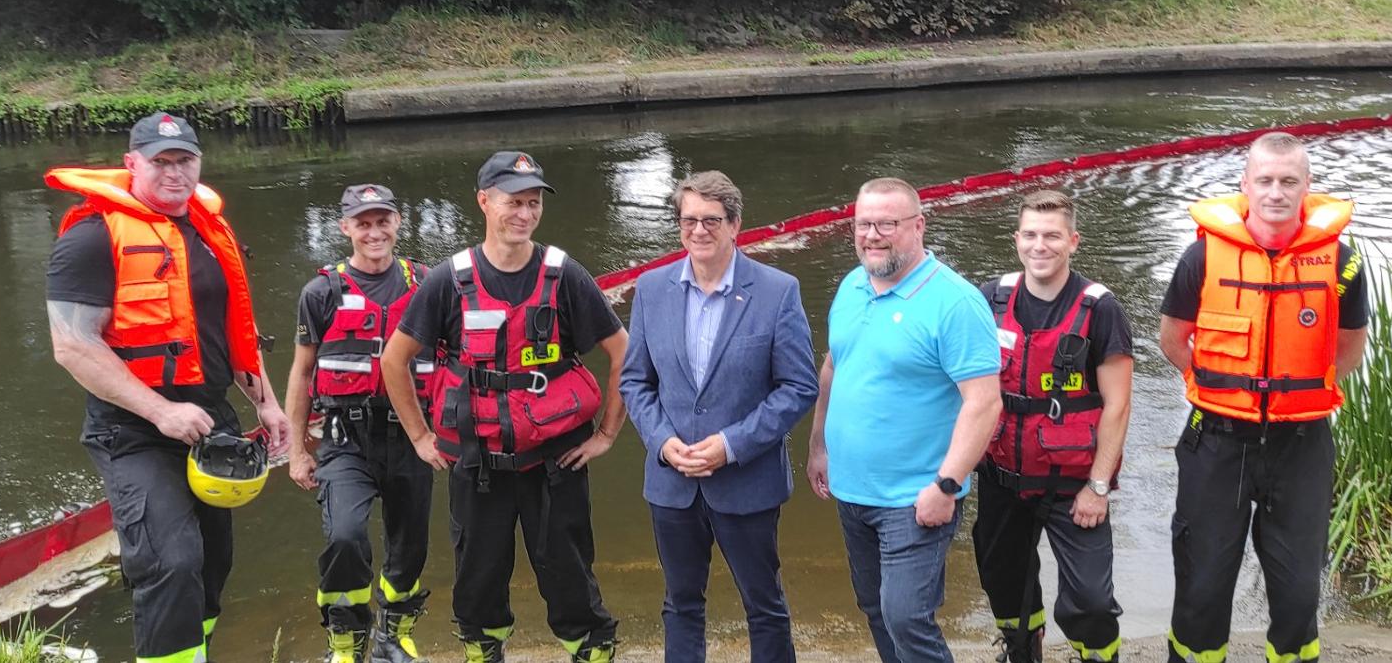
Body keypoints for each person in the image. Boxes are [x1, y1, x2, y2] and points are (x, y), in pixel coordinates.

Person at [45, 112, 291, 663]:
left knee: (210, 564)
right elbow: (73, 345)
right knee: (169, 561)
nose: (175, 173)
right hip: (132, 427)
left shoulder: (207, 230)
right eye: (161, 162)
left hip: (210, 422)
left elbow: (232, 331)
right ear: (132, 164)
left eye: (185, 160)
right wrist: (160, 411)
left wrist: (268, 404)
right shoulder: (90, 237)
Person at [379, 151, 628, 663]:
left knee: (570, 577)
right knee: (478, 583)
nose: (524, 214)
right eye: (514, 202)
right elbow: (393, 361)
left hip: (557, 461)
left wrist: (606, 434)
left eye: (533, 203)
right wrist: (421, 437)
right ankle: (483, 653)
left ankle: (591, 652)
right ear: (484, 202)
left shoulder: (565, 275)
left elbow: (624, 352)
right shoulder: (448, 280)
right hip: (477, 463)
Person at [1158, 132, 1369, 663]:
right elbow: (1171, 338)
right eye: (1266, 181)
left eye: (1289, 181)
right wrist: (1216, 387)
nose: (1276, 192)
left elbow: (1349, 350)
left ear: (1307, 186)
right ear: (1245, 185)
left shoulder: (1343, 264)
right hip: (1219, 441)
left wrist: (1299, 394)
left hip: (1301, 443)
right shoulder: (1202, 257)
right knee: (1202, 587)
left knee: (1298, 593)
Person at [618, 171, 819, 663]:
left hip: (747, 480)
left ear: (735, 225)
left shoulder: (777, 291)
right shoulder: (651, 289)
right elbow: (635, 382)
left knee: (764, 606)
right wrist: (662, 441)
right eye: (689, 220)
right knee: (681, 604)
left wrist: (730, 445)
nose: (699, 230)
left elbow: (799, 386)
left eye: (712, 220)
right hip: (672, 482)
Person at [807, 177, 1002, 663]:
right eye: (863, 224)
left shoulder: (956, 303)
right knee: (874, 606)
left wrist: (947, 484)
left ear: (918, 226)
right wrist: (818, 447)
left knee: (906, 616)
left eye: (887, 224)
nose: (873, 235)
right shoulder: (852, 285)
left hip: (915, 496)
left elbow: (984, 403)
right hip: (851, 489)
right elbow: (834, 367)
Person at [973, 190, 1132, 663]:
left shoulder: (1100, 309)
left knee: (1091, 601)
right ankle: (1023, 649)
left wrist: (1098, 488)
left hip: (1074, 487)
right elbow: (965, 387)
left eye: (1052, 236)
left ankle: (1098, 654)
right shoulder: (990, 298)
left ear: (1073, 241)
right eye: (1030, 235)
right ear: (1017, 239)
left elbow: (1119, 406)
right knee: (1004, 585)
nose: (1039, 246)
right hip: (1002, 478)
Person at [284, 184, 438, 663]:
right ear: (345, 228)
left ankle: (395, 636)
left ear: (397, 222)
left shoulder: (426, 284)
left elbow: (453, 360)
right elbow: (302, 373)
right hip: (344, 438)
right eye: (363, 222)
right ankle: (346, 642)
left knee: (408, 545)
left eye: (382, 220)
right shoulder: (322, 292)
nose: (374, 231)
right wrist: (296, 450)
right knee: (346, 536)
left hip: (412, 435)